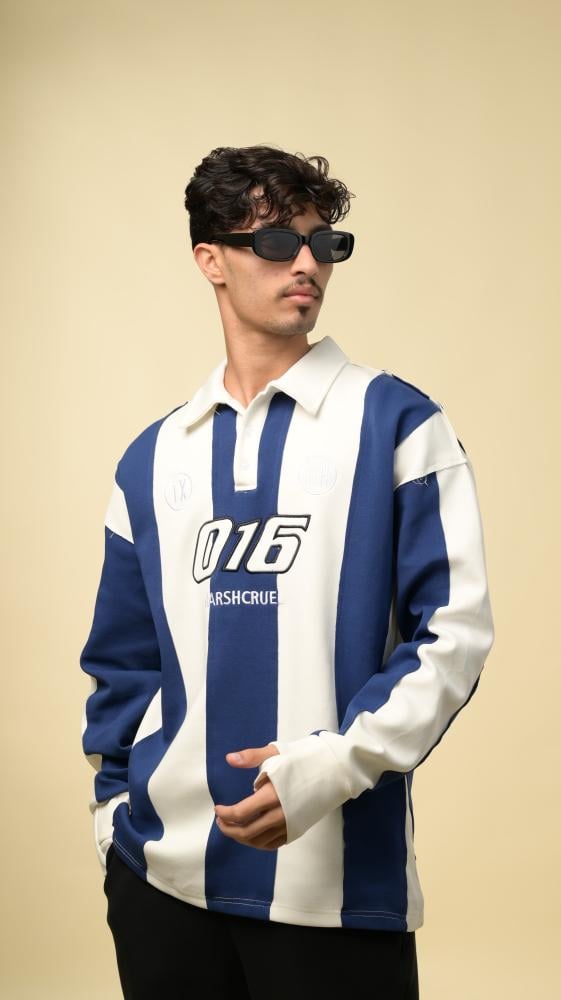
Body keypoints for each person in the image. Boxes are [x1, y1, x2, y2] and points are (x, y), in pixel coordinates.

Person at [79, 143, 494, 999]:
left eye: (323, 244)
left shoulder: (397, 424)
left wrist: (337, 762)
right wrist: (114, 820)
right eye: (275, 241)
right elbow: (123, 664)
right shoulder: (151, 459)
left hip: (336, 895)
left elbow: (451, 635)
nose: (306, 264)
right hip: (159, 887)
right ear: (211, 260)